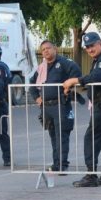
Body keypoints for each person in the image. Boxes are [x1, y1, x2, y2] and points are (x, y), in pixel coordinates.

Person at [62, 32, 101, 187]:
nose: (89, 49)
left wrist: (75, 80)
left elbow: (97, 77)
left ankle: (91, 175)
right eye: (87, 47)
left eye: (92, 45)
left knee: (91, 137)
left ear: (100, 43)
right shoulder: (100, 59)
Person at [28, 40, 82, 172]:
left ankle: (63, 165)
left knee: (62, 136)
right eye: (43, 49)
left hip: (60, 105)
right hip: (46, 107)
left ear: (55, 49)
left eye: (48, 48)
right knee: (53, 137)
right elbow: (32, 84)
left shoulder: (64, 63)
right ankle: (56, 163)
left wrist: (69, 87)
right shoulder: (42, 67)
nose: (45, 51)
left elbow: (77, 73)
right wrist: (37, 98)